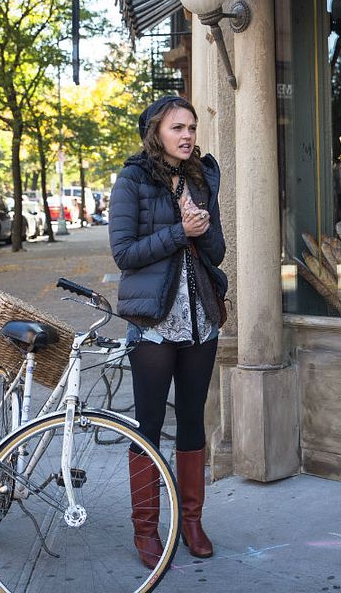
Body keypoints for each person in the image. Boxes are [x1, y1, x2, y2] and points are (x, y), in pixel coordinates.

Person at [109, 95, 227, 569]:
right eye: (178, 127)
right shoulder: (132, 179)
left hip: (200, 318)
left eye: (192, 128)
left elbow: (216, 252)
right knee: (149, 426)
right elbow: (125, 253)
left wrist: (201, 227)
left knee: (194, 421)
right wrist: (180, 231)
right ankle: (146, 528)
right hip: (153, 323)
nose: (187, 136)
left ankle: (192, 522)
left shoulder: (200, 178)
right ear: (156, 130)